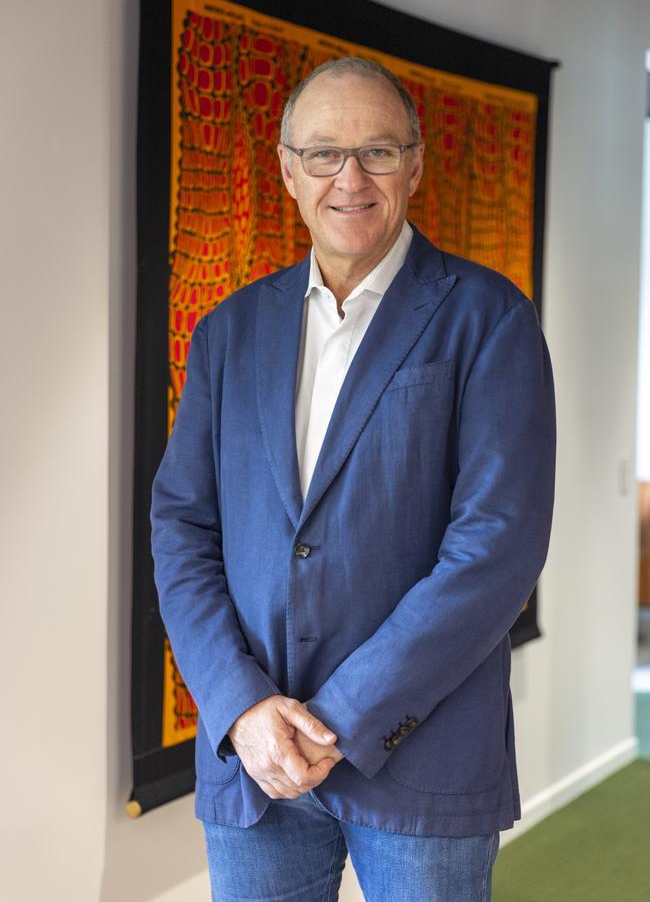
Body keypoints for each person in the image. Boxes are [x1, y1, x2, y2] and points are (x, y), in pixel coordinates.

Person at [151, 56, 556, 901]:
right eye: (325, 153)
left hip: (422, 751)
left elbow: (496, 550)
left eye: (377, 151)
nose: (351, 178)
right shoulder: (229, 332)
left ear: (415, 163)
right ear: (288, 169)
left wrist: (343, 718)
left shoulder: (490, 319)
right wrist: (241, 704)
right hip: (253, 757)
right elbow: (182, 526)